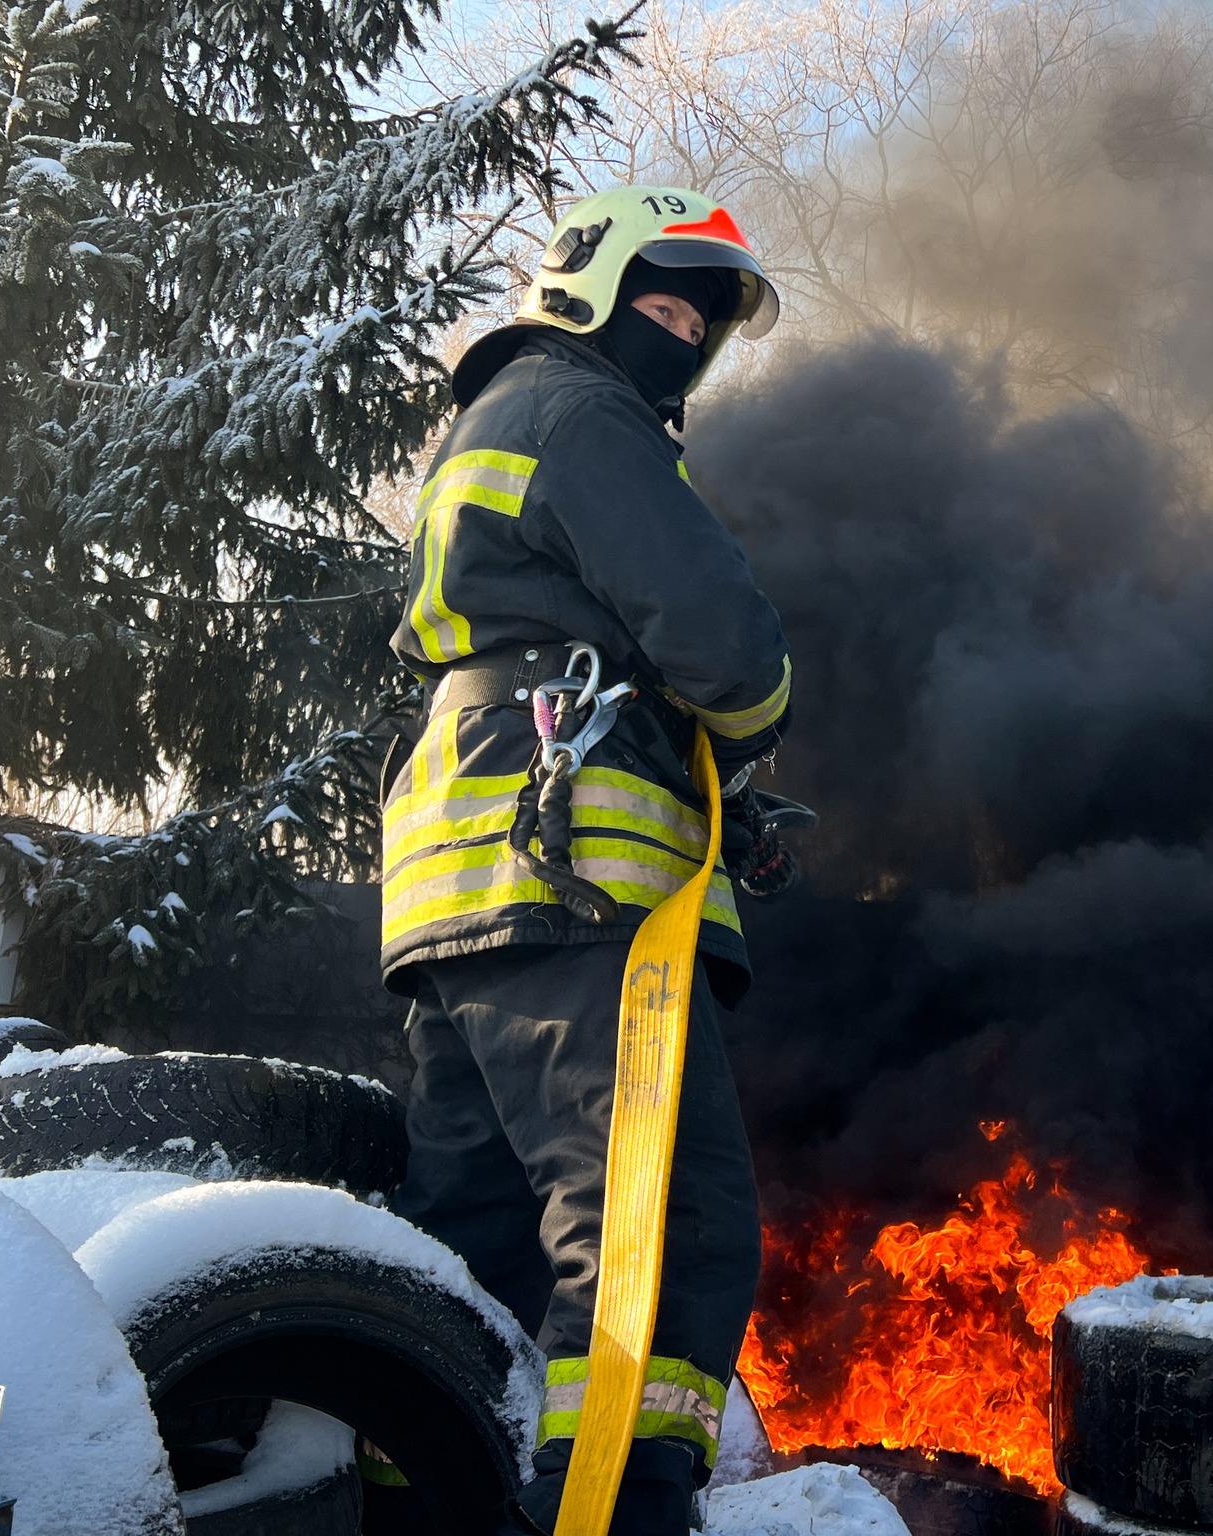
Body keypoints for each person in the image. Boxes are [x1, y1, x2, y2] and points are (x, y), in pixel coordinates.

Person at [376, 184, 792, 1535]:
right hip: (570, 882)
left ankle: (430, 1505)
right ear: (588, 288)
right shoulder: (583, 412)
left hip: (461, 884)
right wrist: (757, 721)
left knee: (476, 1245)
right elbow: (727, 645)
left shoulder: (484, 429)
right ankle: (622, 1508)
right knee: (656, 1235)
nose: (679, 334)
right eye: (662, 300)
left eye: (698, 318)